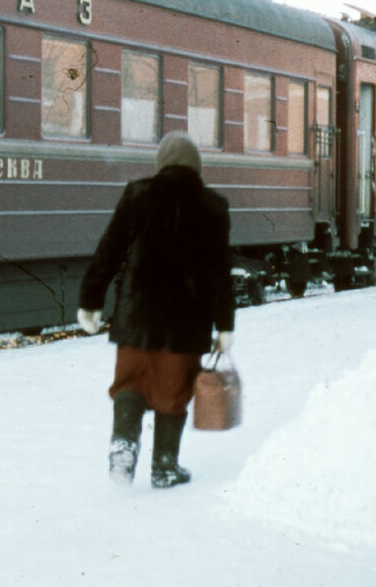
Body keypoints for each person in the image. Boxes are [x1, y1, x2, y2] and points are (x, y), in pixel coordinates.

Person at [77, 131, 235, 488]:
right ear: (196, 167)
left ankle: (123, 445)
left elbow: (109, 250)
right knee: (173, 390)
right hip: (186, 322)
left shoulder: (138, 194)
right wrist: (225, 325)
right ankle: (164, 466)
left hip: (137, 315)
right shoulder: (213, 205)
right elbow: (219, 273)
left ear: (160, 164)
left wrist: (91, 300)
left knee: (130, 382)